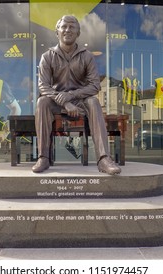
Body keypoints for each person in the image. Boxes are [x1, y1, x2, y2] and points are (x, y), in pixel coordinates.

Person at [32, 15, 121, 175]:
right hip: (56, 101)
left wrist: (71, 96)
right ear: (57, 31)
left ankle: (103, 159)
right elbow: (43, 85)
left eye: (72, 27)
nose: (68, 30)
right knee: (42, 102)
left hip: (81, 101)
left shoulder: (87, 56)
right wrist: (65, 102)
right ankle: (43, 157)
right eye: (64, 26)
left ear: (78, 33)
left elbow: (94, 85)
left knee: (93, 102)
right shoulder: (47, 57)